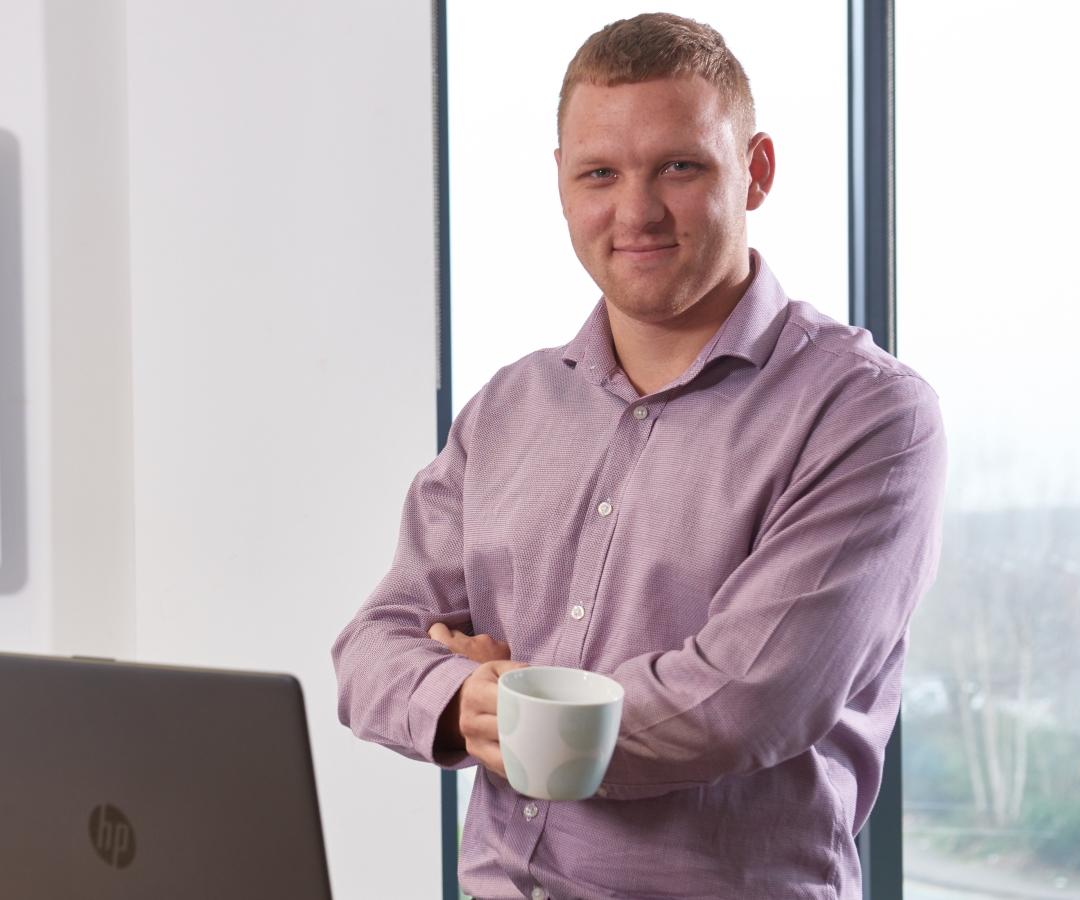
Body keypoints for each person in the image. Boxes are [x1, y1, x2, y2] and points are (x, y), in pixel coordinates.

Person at [333, 12, 946, 899]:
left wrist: (507, 706)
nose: (635, 211)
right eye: (599, 174)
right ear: (560, 184)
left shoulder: (868, 416)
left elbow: (743, 698)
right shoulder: (509, 407)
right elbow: (370, 648)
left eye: (679, 167)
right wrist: (454, 700)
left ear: (756, 170)